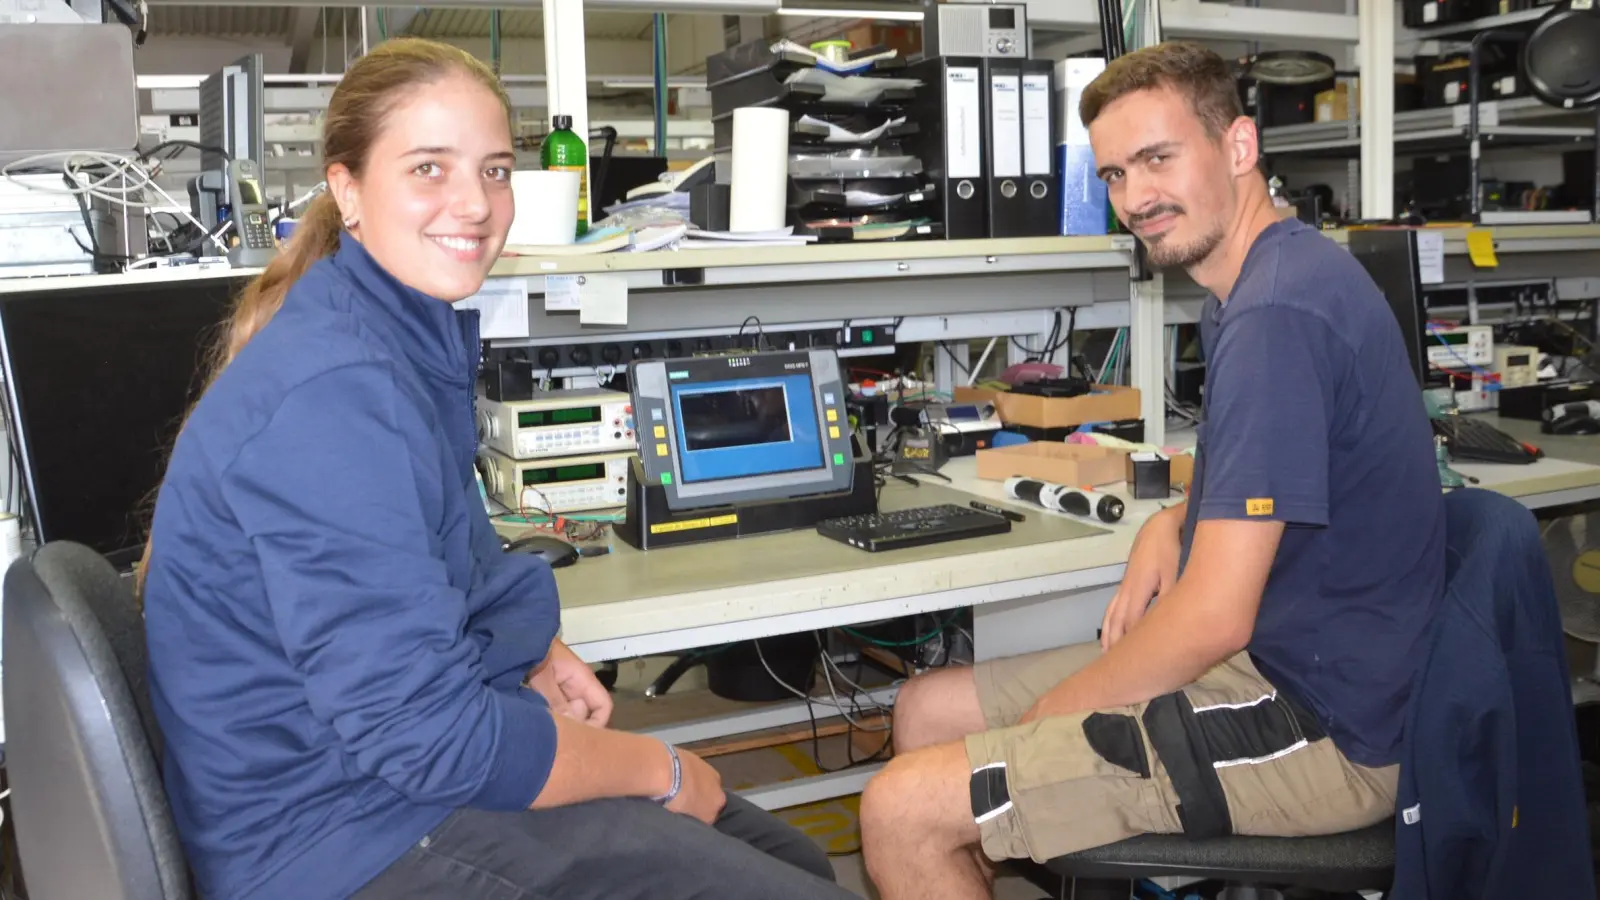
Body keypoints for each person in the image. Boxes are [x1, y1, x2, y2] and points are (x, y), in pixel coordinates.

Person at [139, 38, 854, 900]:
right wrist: (654, 767)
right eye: (429, 169)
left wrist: (537, 649)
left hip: (384, 788)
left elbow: (455, 558)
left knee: (798, 862)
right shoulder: (332, 397)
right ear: (346, 189)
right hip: (338, 844)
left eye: (494, 170)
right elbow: (429, 738)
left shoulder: (398, 338)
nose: (474, 205)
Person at [858, 40, 1446, 900]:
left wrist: (1043, 729)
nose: (1135, 198)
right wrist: (1172, 522)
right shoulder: (1258, 280)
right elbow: (1261, 472)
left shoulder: (1276, 313)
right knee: (925, 711)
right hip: (1281, 659)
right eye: (1114, 175)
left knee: (898, 810)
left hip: (1326, 724)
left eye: (1158, 160)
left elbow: (1212, 621)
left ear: (1238, 147)